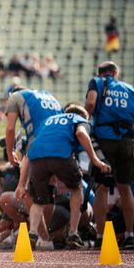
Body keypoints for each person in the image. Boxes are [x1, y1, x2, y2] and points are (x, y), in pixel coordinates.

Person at [26, 105, 110, 249]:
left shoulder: (49, 120)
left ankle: (33, 232)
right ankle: (73, 232)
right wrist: (95, 160)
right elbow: (81, 134)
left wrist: (22, 183)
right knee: (77, 189)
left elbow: (29, 151)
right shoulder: (79, 120)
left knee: (38, 200)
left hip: (36, 158)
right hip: (61, 155)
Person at [85, 61, 134, 249]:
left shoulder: (97, 82)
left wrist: (84, 119)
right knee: (125, 188)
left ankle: (101, 235)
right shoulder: (129, 88)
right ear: (115, 73)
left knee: (102, 188)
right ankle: (130, 235)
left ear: (101, 73)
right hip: (128, 141)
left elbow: (90, 102)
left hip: (105, 140)